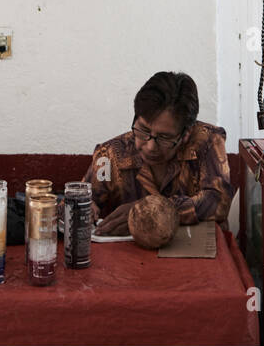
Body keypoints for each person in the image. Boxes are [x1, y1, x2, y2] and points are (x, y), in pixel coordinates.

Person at [86, 71, 235, 235]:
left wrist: (148, 212)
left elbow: (218, 201)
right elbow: (87, 198)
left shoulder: (207, 141)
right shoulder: (110, 154)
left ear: (186, 133)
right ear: (135, 118)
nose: (150, 146)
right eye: (143, 130)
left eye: (165, 137)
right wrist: (84, 208)